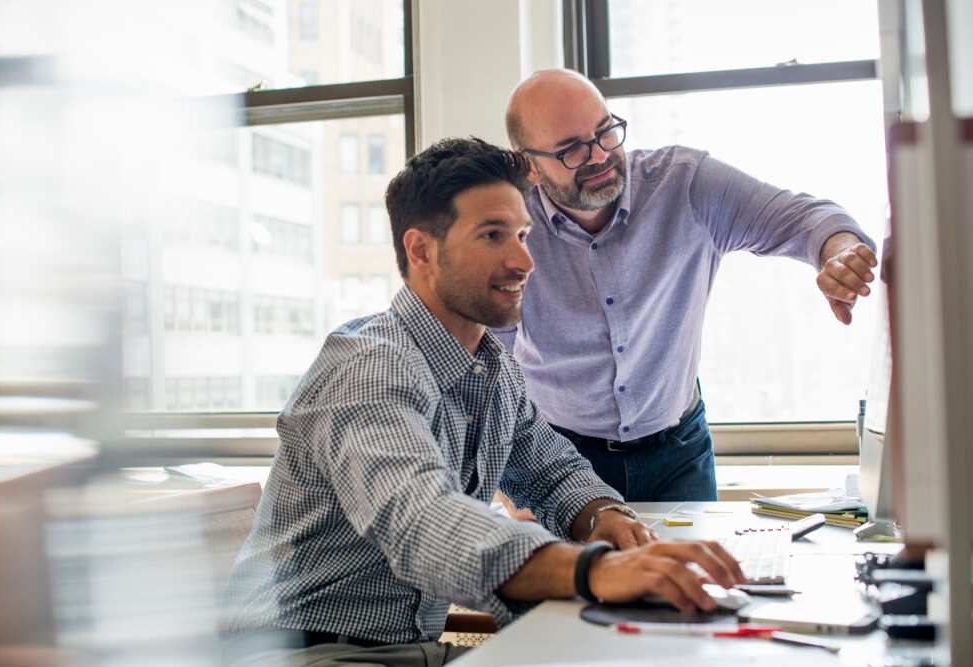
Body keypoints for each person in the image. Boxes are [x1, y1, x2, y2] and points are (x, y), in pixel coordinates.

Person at [225, 137, 744, 667]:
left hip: (424, 645)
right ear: (421, 250)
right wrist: (595, 570)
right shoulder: (369, 367)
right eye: (493, 235)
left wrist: (607, 519)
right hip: (307, 650)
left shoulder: (494, 370)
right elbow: (423, 523)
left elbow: (552, 472)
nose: (524, 261)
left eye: (522, 234)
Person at [500, 69, 879, 502]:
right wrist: (518, 474)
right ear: (529, 165)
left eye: (606, 132)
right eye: (571, 150)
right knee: (572, 574)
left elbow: (805, 218)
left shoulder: (684, 185)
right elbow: (491, 358)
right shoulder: (509, 228)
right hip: (559, 459)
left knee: (695, 571)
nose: (601, 155)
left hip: (678, 455)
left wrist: (840, 253)